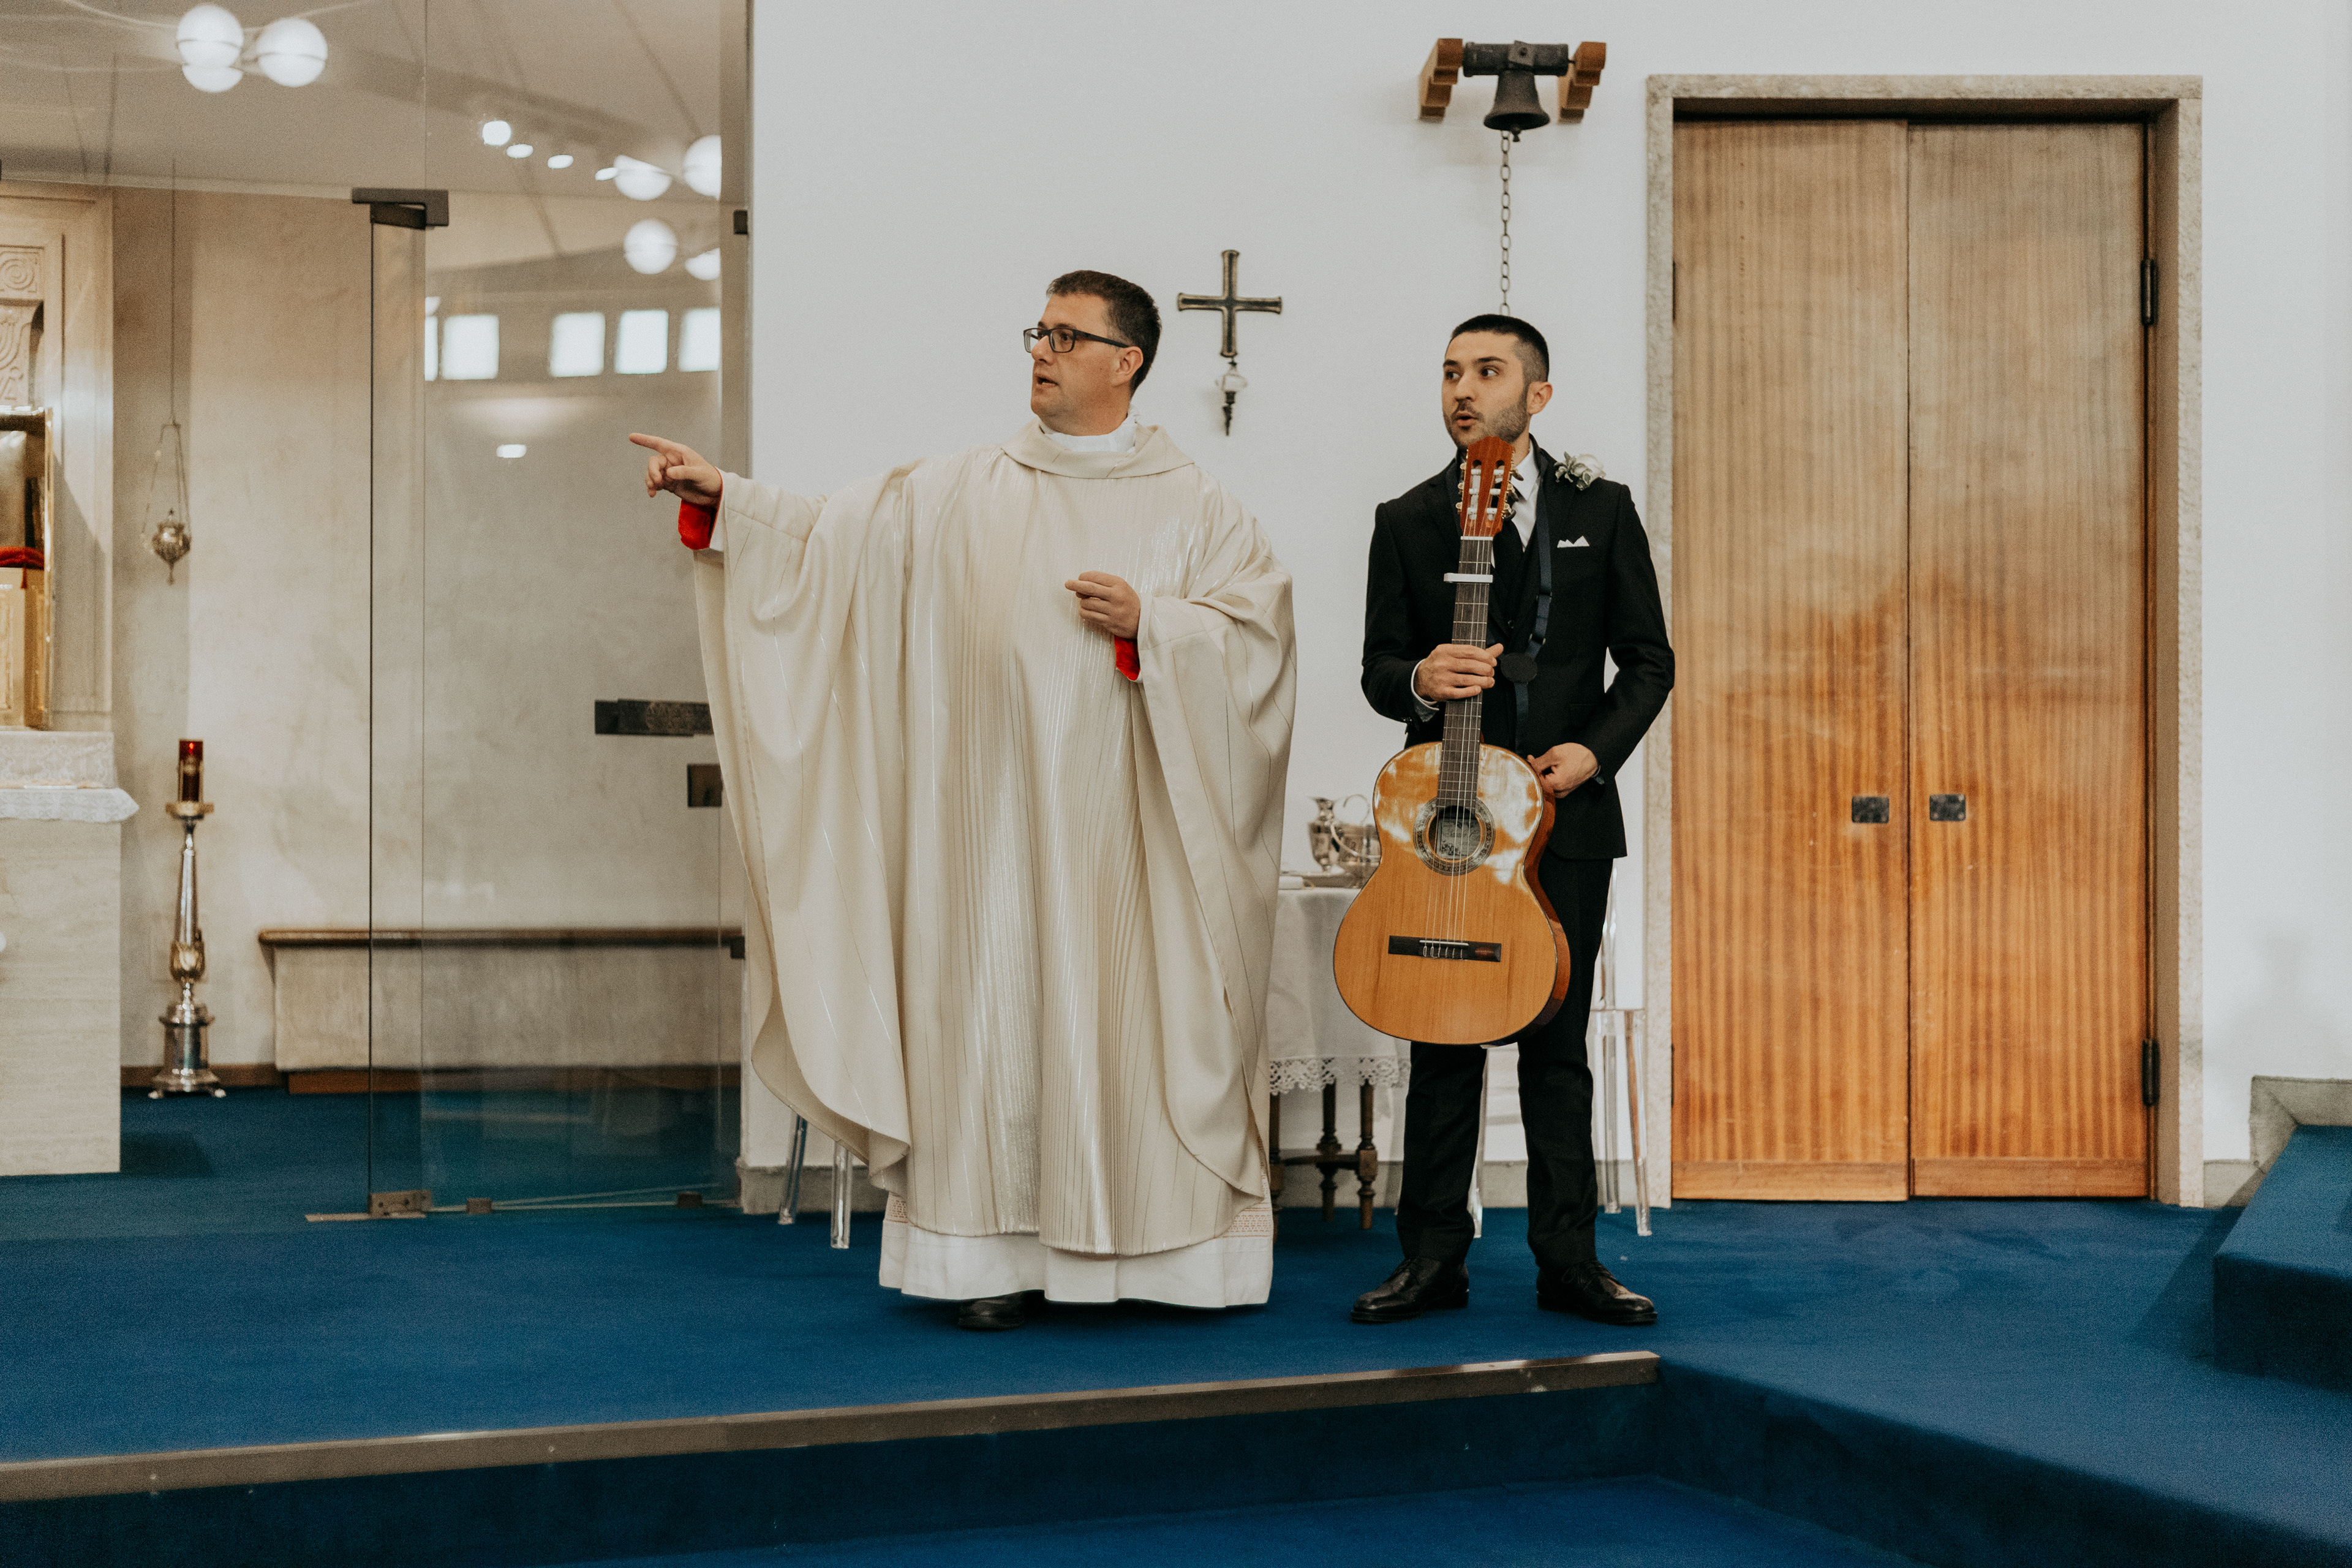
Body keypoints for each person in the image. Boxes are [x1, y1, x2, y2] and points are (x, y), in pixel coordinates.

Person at [631, 272, 1296, 1331]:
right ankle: (984, 1260)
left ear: (1126, 362)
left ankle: (1163, 1260)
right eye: (1040, 331)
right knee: (992, 1025)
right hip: (986, 838)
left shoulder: (1199, 507)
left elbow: (1258, 643)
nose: (1042, 351)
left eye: (1068, 337)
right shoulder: (956, 492)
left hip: (1129, 843)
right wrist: (728, 499)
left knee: (1132, 1020)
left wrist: (1158, 625)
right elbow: (827, 544)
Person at [1352, 314, 1672, 1327]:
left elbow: (1649, 661)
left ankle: (1569, 1261)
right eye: (1450, 371)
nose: (1462, 389)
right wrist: (1419, 677)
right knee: (1442, 1047)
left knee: (1558, 1049)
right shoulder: (1407, 518)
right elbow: (1377, 669)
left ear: (1537, 395)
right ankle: (1431, 1259)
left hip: (1566, 821)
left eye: (1486, 371)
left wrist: (1595, 752)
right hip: (1449, 827)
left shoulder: (1601, 509)